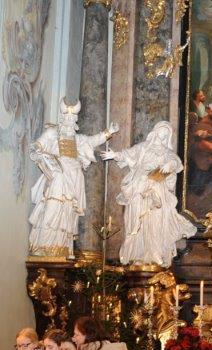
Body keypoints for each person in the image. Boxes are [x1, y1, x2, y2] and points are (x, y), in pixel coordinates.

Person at [28, 99, 119, 258]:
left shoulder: (78, 139)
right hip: (58, 175)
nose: (70, 121)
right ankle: (44, 245)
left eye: (73, 118)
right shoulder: (52, 133)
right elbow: (39, 145)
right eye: (67, 117)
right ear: (62, 118)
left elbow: (93, 140)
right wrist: (37, 147)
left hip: (74, 177)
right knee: (53, 207)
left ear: (76, 121)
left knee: (68, 211)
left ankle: (62, 247)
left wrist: (109, 132)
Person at [102, 121, 196, 267]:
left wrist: (169, 165)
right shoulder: (143, 147)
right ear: (155, 131)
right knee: (137, 220)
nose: (162, 135)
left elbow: (175, 163)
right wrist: (115, 155)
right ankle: (136, 254)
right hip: (139, 187)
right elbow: (127, 154)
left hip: (157, 189)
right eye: (161, 131)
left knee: (156, 221)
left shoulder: (167, 153)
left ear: (168, 136)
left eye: (166, 133)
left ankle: (154, 252)